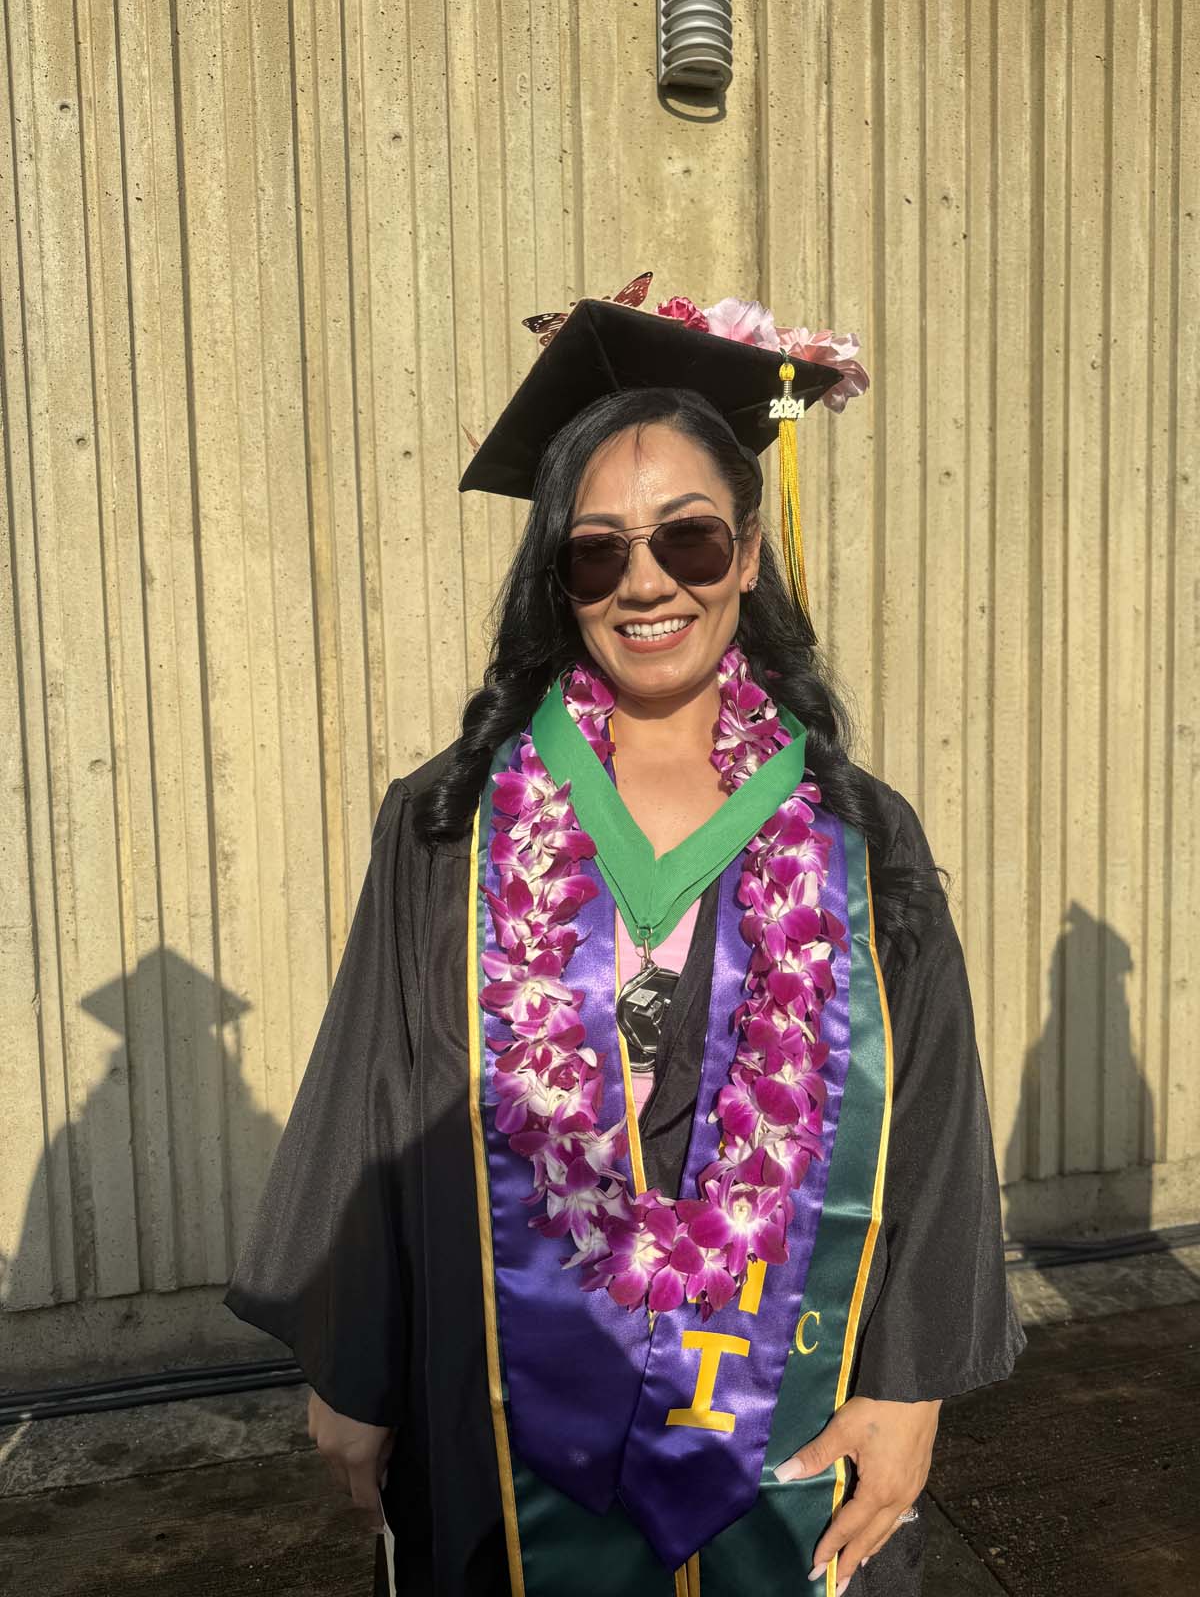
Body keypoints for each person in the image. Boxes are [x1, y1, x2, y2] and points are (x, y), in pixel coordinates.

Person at [226, 287, 1025, 1597]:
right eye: (598, 551)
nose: (646, 581)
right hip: (506, 1415)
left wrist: (911, 1389)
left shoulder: (853, 831)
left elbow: (930, 1118)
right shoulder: (450, 827)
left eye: (691, 541)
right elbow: (380, 1100)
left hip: (788, 1417)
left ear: (751, 555)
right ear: (559, 575)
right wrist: (351, 1370)